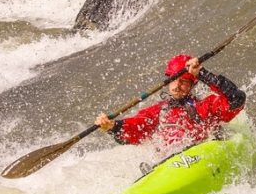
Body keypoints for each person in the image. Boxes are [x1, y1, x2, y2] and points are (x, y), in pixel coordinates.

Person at [95, 54, 246, 153]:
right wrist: (112, 126)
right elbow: (137, 127)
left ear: (192, 85)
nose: (177, 85)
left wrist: (202, 73)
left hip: (202, 157)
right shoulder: (160, 111)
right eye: (174, 79)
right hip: (170, 164)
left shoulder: (206, 106)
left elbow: (236, 99)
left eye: (184, 81)